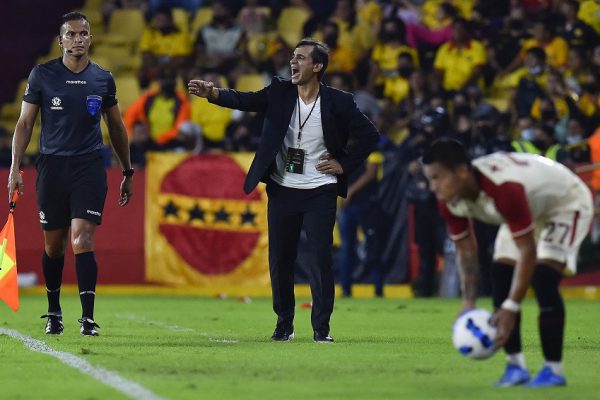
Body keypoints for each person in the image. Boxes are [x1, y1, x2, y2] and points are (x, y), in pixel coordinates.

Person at [189, 38, 379, 343]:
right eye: (293, 57)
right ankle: (284, 324)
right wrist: (213, 93)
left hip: (320, 189)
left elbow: (370, 135)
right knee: (281, 259)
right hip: (282, 188)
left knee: (320, 259)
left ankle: (322, 329)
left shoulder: (339, 101)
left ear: (317, 66)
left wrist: (344, 164)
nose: (293, 62)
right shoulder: (279, 91)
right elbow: (246, 100)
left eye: (301, 58)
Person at [422, 138, 593, 387]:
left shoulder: (503, 188)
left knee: (544, 277)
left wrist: (511, 307)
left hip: (565, 202)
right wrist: (468, 300)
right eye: (430, 179)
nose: (433, 187)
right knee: (501, 272)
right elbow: (466, 252)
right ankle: (515, 367)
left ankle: (553, 369)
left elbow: (527, 252)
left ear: (462, 171)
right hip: (528, 206)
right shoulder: (449, 200)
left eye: (437, 178)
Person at [8, 12, 133, 336]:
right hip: (52, 166)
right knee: (54, 247)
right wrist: (15, 168)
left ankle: (88, 318)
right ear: (61, 40)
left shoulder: (103, 79)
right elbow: (24, 123)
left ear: (91, 38)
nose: (78, 39)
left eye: (83, 34)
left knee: (83, 238)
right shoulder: (42, 75)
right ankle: (54, 311)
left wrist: (127, 170)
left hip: (88, 166)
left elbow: (116, 127)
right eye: (71, 34)